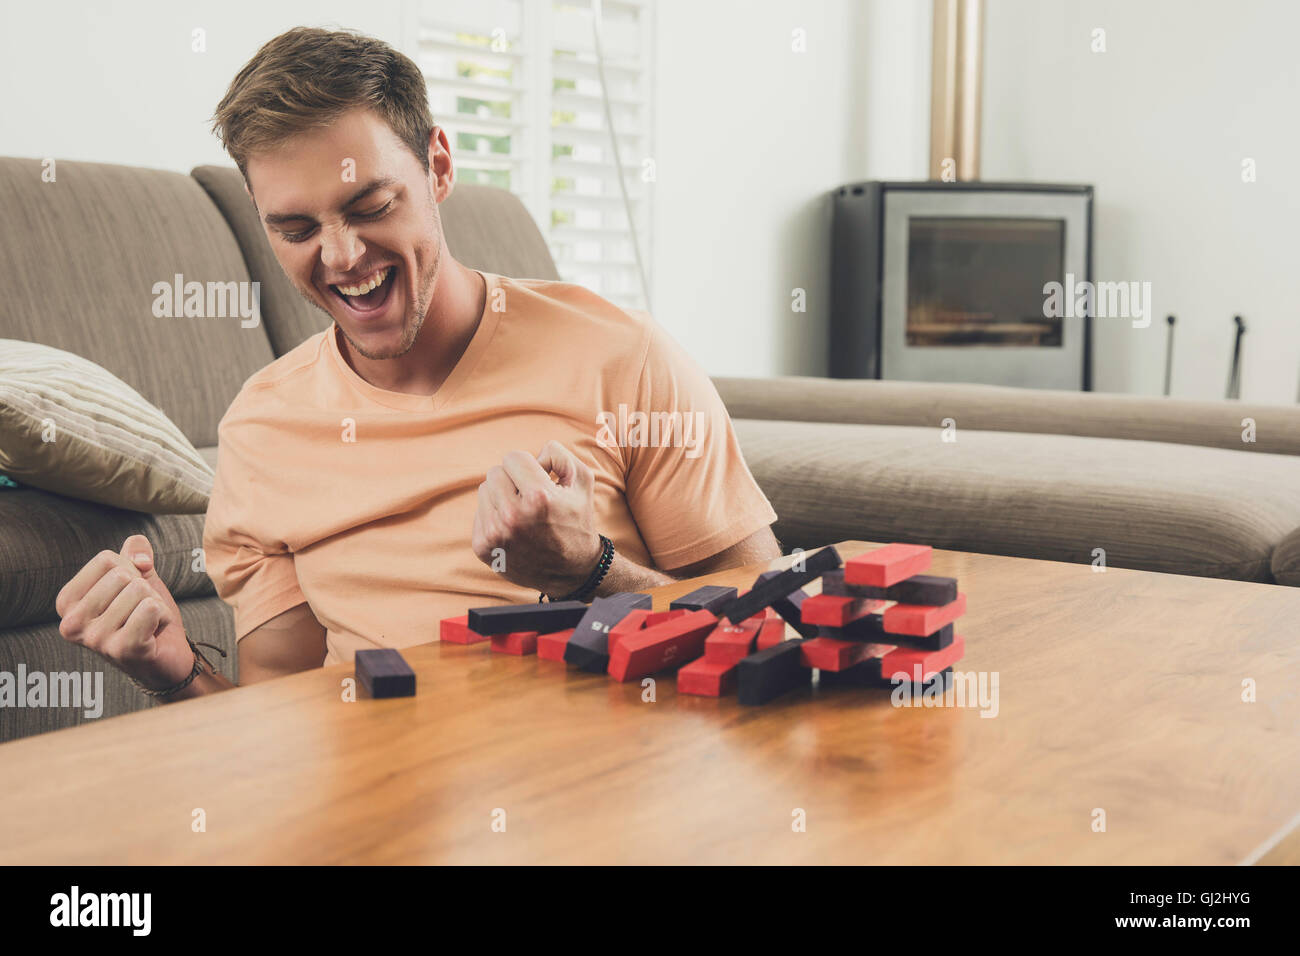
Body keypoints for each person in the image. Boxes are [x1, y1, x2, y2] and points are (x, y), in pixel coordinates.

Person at [55, 27, 780, 702]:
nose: (341, 257)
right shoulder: (261, 430)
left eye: (370, 205)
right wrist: (175, 670)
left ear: (437, 166)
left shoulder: (623, 358)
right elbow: (277, 728)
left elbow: (775, 638)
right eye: (296, 228)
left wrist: (589, 571)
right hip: (379, 819)